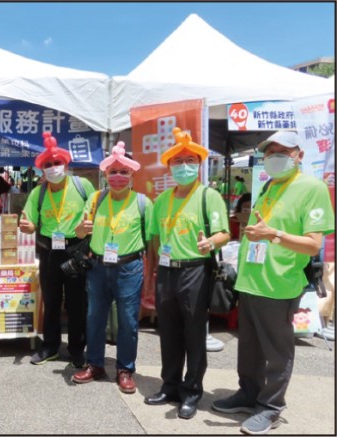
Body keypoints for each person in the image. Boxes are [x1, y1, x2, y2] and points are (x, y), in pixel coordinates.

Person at [211, 131, 334, 435]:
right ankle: (248, 393)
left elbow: (313, 244)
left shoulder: (312, 188)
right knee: (249, 348)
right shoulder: (268, 185)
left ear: (299, 156)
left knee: (277, 352)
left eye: (283, 151)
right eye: (270, 152)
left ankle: (271, 407)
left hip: (280, 284)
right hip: (252, 281)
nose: (275, 156)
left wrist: (274, 235)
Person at [144, 127, 229, 419]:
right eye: (177, 162)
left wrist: (210, 242)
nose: (183, 167)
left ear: (199, 164)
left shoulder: (208, 196)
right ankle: (169, 386)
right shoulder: (162, 200)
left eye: (190, 161)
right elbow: (154, 239)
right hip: (167, 272)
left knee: (194, 334)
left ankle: (191, 392)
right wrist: (151, 272)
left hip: (195, 271)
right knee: (167, 333)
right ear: (169, 167)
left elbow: (223, 233)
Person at [71, 142, 153, 394]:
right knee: (94, 318)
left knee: (128, 321)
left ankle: (125, 369)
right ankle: (95, 364)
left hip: (129, 268)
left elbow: (151, 243)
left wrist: (150, 277)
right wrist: (81, 229)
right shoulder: (96, 199)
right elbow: (79, 232)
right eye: (113, 172)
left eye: (123, 172)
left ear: (132, 174)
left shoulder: (142, 203)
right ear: (105, 174)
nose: (118, 176)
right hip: (97, 267)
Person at [19, 131, 95, 367]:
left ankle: (76, 349)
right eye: (48, 165)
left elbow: (97, 214)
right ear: (42, 169)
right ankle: (50, 346)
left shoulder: (82, 186)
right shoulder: (37, 193)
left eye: (57, 163)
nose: (53, 168)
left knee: (77, 303)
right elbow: (29, 222)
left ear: (66, 164)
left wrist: (90, 237)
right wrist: (28, 227)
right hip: (49, 250)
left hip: (76, 248)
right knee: (51, 302)